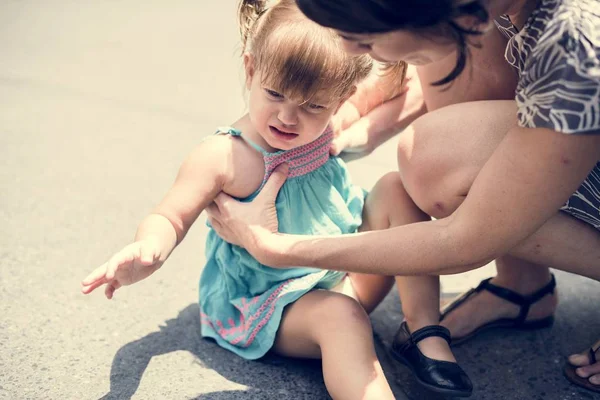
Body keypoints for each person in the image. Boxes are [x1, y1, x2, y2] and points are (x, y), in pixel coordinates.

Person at [205, 0, 600, 395]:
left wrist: (276, 247)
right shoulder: (479, 10)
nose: (349, 51)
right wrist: (355, 119)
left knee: (427, 159)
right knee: (436, 141)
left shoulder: (577, 44)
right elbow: (437, 57)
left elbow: (466, 239)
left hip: (580, 82)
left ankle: (433, 325)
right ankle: (522, 285)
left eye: (360, 38)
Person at [80, 1, 417, 398]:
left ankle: (424, 333)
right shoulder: (223, 155)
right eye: (275, 94)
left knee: (396, 187)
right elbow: (170, 214)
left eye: (313, 106)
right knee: (341, 317)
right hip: (272, 306)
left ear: (342, 97)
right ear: (251, 68)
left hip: (342, 275)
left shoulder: (328, 123)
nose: (288, 118)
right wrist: (149, 247)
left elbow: (404, 84)